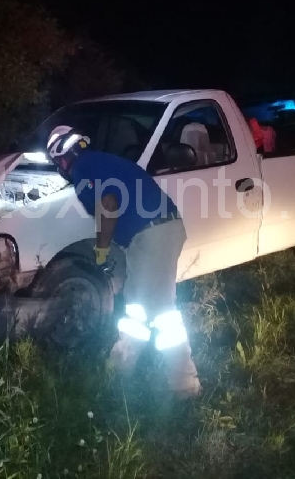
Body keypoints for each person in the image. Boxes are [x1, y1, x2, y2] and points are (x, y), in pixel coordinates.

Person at [46, 125, 202, 398]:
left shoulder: (83, 169)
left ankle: (185, 385)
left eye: (57, 162)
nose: (60, 167)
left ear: (62, 157)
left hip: (153, 234)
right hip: (156, 231)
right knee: (137, 306)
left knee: (162, 311)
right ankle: (120, 368)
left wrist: (102, 250)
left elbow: (107, 205)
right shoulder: (100, 161)